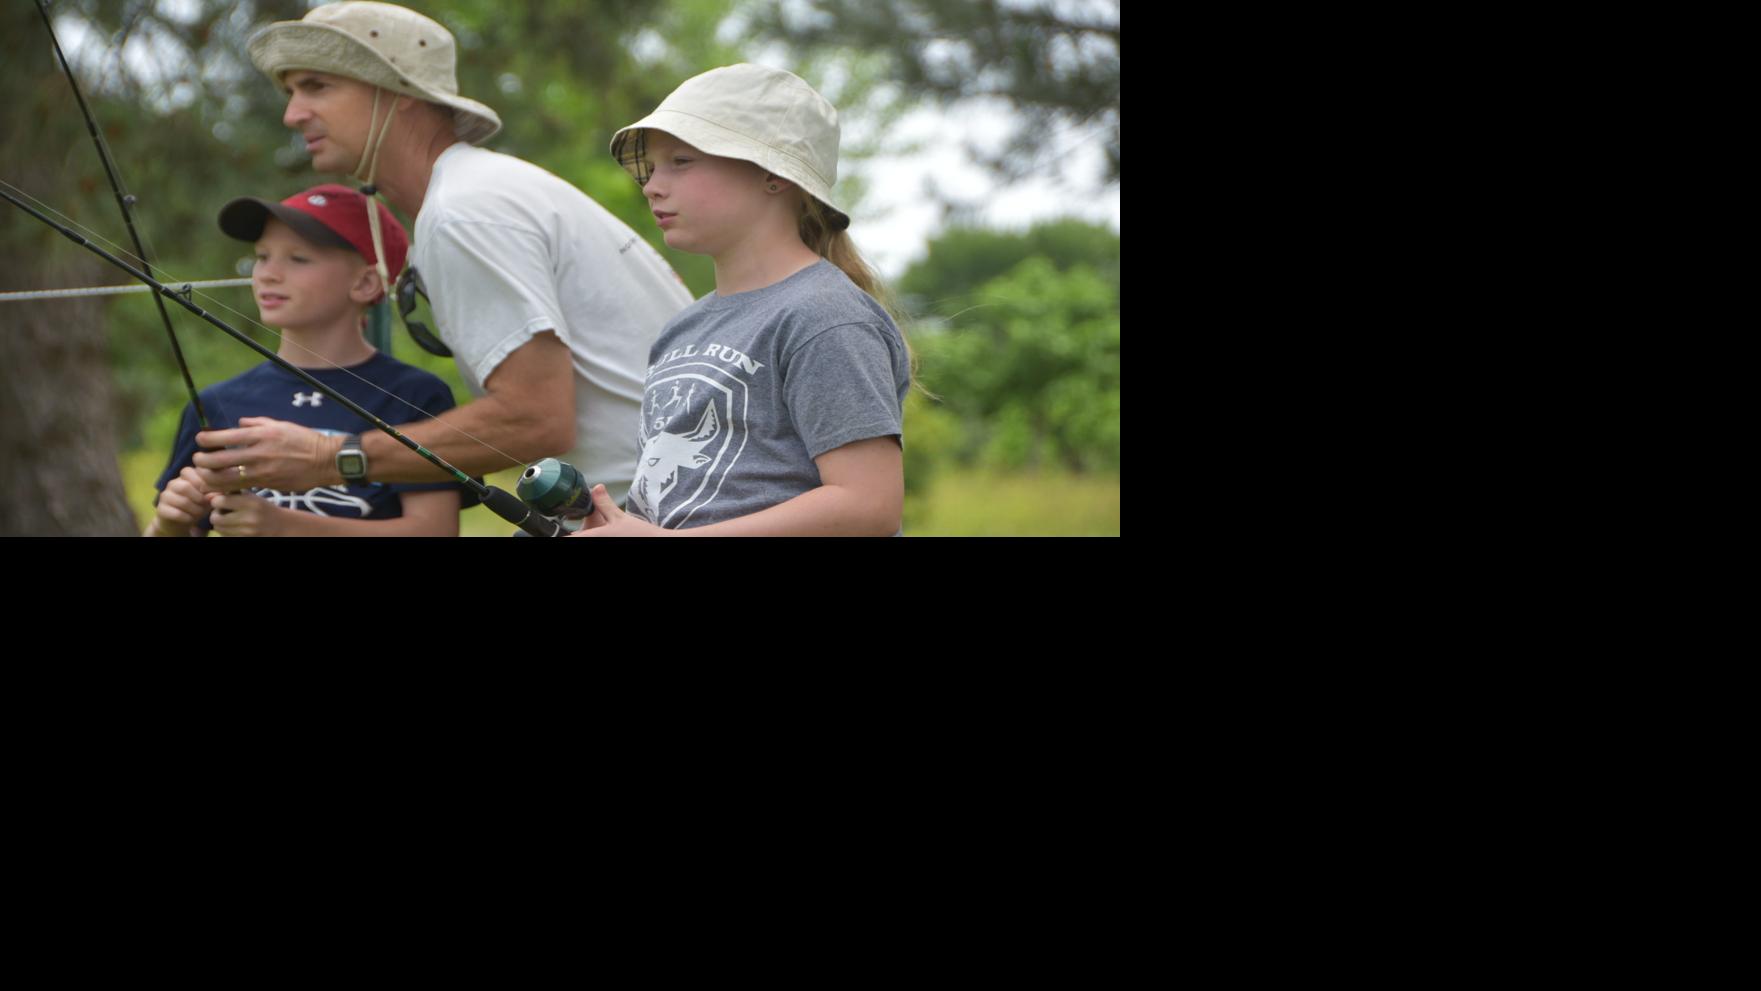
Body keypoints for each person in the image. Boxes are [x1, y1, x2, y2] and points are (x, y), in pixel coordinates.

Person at [189, 1, 692, 513]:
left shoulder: (463, 212)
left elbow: (536, 420)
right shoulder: (480, 190)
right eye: (291, 92)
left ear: (399, 94)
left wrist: (329, 457)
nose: (292, 114)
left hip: (659, 511)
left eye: (317, 86)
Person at [574, 63, 913, 537]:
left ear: (773, 174)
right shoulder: (682, 329)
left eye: (681, 161)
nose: (652, 185)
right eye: (651, 168)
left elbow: (870, 505)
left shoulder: (824, 316)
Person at [147, 184, 464, 536]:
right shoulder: (216, 402)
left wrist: (285, 526)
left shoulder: (416, 396)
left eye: (298, 259)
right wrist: (168, 525)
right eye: (262, 256)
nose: (267, 274)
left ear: (365, 283)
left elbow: (436, 530)